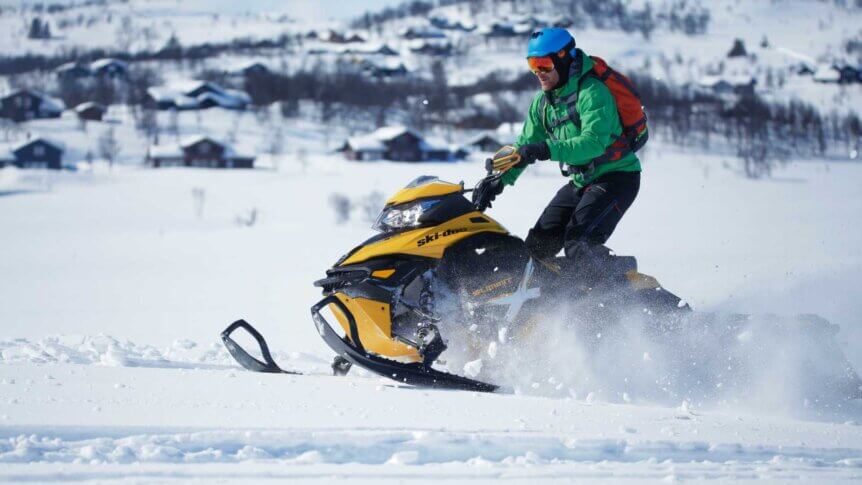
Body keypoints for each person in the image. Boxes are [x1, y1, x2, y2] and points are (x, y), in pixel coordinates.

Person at [473, 27, 642, 283]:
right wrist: (498, 181)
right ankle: (557, 302)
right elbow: (525, 146)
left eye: (544, 64)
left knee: (579, 245)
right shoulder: (542, 104)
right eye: (532, 64)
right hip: (581, 181)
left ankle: (625, 289)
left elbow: (593, 143)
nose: (538, 72)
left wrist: (547, 149)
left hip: (616, 177)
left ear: (564, 58)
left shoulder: (592, 92)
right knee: (536, 249)